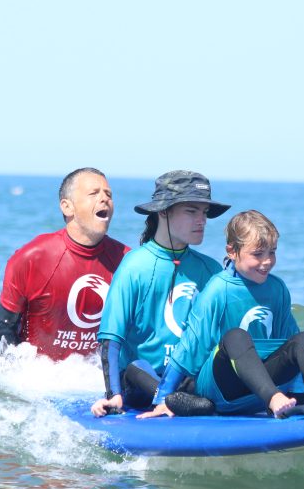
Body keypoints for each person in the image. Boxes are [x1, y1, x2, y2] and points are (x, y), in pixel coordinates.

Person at [140, 210, 304, 419]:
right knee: (236, 336)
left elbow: (289, 348)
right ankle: (273, 399)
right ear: (232, 251)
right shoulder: (218, 290)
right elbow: (190, 346)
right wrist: (162, 400)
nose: (267, 262)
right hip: (222, 388)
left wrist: (302, 396)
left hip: (260, 387)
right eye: (257, 254)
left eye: (272, 252)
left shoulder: (277, 289)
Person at [90, 170, 230, 417]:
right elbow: (110, 341)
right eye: (191, 211)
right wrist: (113, 395)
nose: (202, 221)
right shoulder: (135, 266)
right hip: (140, 383)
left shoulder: (211, 270)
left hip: (187, 382)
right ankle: (176, 401)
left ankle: (182, 401)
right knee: (136, 367)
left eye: (204, 213)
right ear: (163, 211)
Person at [0, 168, 129, 361]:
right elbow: (4, 328)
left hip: (93, 378)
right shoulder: (31, 258)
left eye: (109, 194)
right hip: (40, 376)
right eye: (94, 193)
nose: (104, 198)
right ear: (67, 207)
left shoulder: (127, 261)